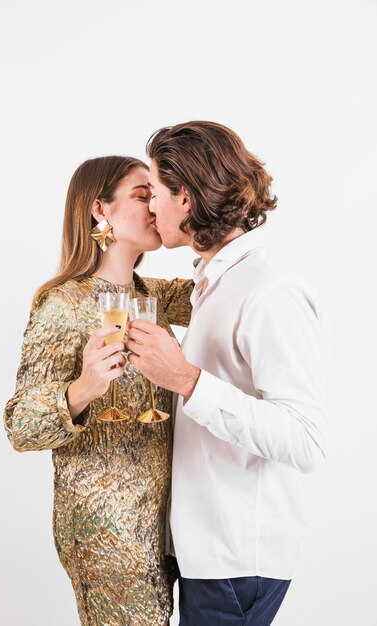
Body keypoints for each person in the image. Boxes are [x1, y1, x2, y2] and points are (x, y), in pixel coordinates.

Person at [126, 121, 328, 626]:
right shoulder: (212, 284)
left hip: (236, 560)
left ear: (186, 200)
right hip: (205, 554)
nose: (150, 206)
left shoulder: (268, 289)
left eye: (155, 192)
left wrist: (186, 381)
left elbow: (305, 440)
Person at [3, 156, 193, 626]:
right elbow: (19, 425)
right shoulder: (62, 302)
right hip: (104, 529)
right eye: (142, 194)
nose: (155, 205)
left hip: (163, 526)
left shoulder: (154, 296)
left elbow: (224, 284)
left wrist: (193, 217)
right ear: (99, 210)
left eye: (159, 195)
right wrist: (82, 389)